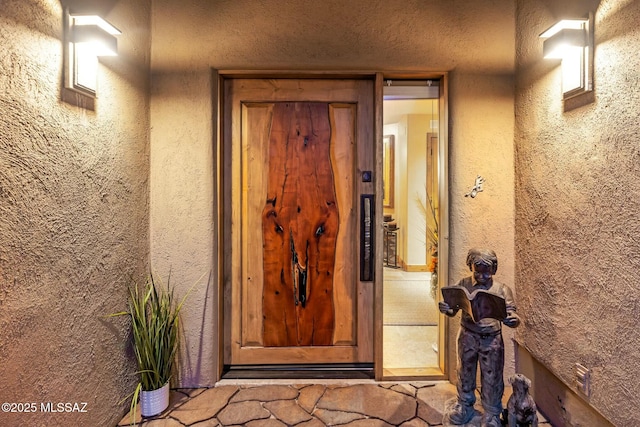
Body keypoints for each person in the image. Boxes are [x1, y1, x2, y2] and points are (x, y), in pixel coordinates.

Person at [439, 248, 520, 427]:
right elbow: (454, 307)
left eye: (487, 272)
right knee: (465, 372)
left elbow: (512, 314)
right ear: (471, 267)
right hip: (468, 334)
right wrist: (447, 309)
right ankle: (464, 404)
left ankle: (491, 412)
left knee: (492, 376)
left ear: (494, 269)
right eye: (478, 271)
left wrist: (512, 320)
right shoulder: (464, 283)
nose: (482, 276)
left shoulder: (501, 289)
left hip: (491, 339)